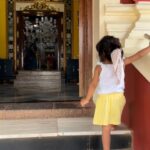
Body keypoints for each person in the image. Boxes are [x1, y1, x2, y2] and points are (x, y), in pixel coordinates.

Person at [80, 35, 150, 150]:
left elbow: (93, 85)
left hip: (104, 99)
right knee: (113, 119)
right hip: (118, 98)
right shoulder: (121, 63)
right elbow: (138, 55)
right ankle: (112, 124)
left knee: (105, 128)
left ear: (102, 53)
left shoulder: (99, 67)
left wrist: (87, 99)